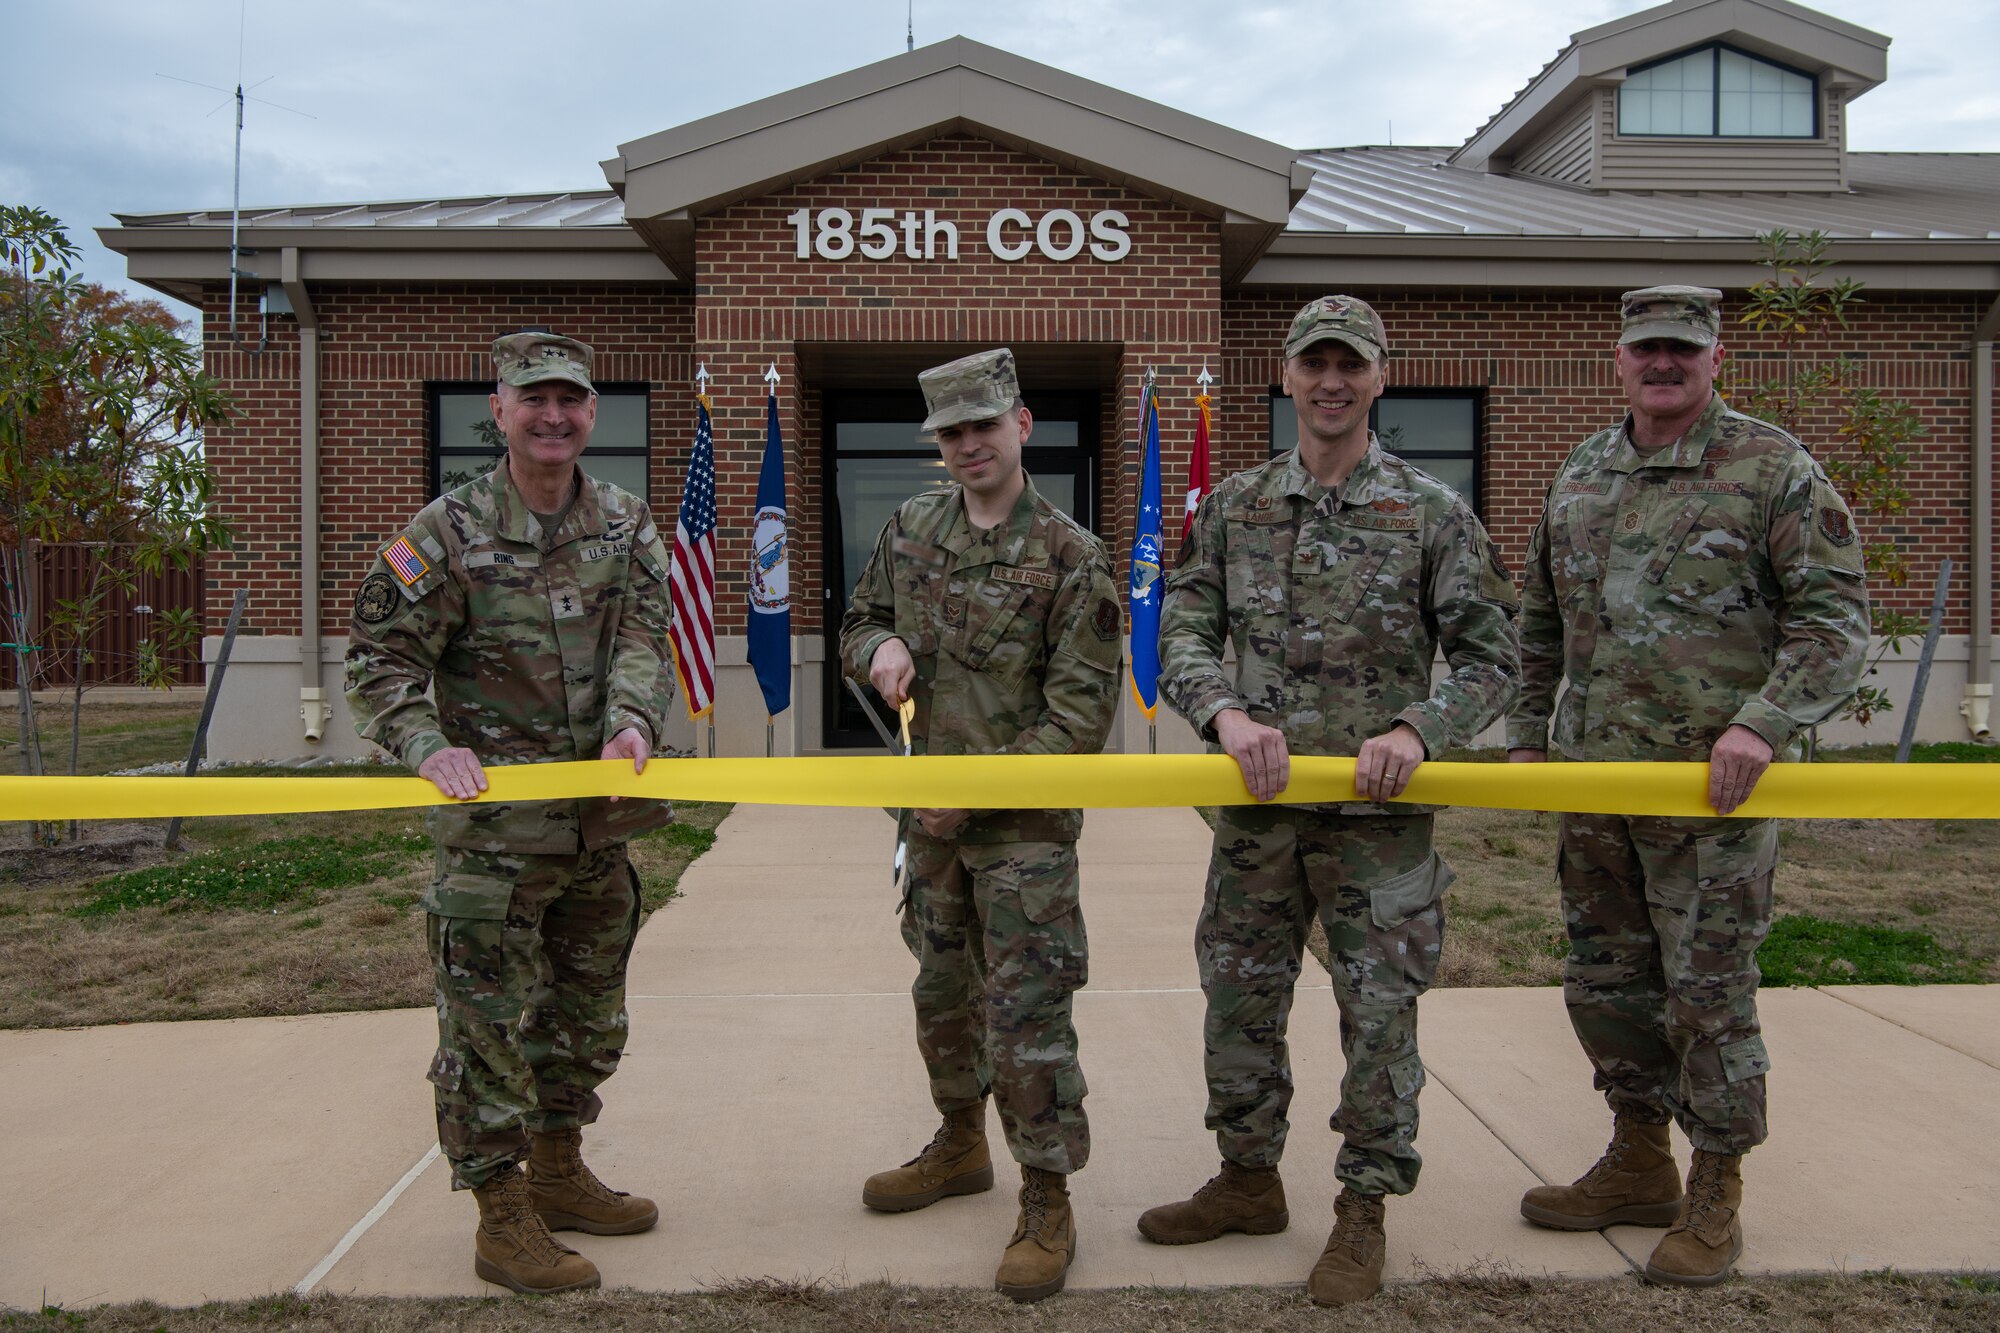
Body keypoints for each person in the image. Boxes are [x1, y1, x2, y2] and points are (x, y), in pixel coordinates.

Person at [1145, 296, 1521, 1306]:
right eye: (1312, 363)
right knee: (1238, 1004)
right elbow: (1178, 635)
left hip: (1377, 832)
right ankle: (1245, 1178)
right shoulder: (1233, 507)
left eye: (1348, 365)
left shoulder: (1429, 513)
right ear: (1285, 375)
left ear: (1377, 378)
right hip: (1258, 821)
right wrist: (1221, 712)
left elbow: (1493, 657)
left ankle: (1362, 1209)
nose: (1329, 382)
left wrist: (1416, 729)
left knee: (1379, 1020)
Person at [1508, 286, 1869, 1286]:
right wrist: (1528, 738)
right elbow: (1536, 615)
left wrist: (1763, 720)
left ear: (1713, 360)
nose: (1661, 363)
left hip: (1710, 799)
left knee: (1706, 994)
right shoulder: (1580, 469)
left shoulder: (1770, 468)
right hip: (1592, 788)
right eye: (1644, 349)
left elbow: (1833, 621)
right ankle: (1636, 1160)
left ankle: (1714, 1188)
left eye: (1681, 349)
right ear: (1615, 361)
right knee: (1606, 982)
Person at [345, 331, 676, 1294]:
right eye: (534, 399)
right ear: (498, 409)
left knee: (585, 1018)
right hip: (492, 844)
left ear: (592, 413)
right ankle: (500, 1214)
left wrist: (632, 724)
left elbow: (645, 639)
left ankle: (561, 1171)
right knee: (484, 1030)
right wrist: (423, 744)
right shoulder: (445, 532)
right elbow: (379, 660)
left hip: (598, 828)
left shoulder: (624, 521)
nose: (554, 416)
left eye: (571, 399)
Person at [838, 348, 1122, 1303]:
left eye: (982, 427)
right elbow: (858, 620)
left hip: (1024, 838)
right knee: (942, 996)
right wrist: (874, 646)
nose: (967, 446)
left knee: (1027, 1017)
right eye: (951, 433)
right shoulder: (911, 526)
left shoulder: (1073, 556)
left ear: (1021, 426)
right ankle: (962, 1142)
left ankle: (1047, 1196)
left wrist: (980, 794)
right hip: (930, 828)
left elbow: (1079, 718)